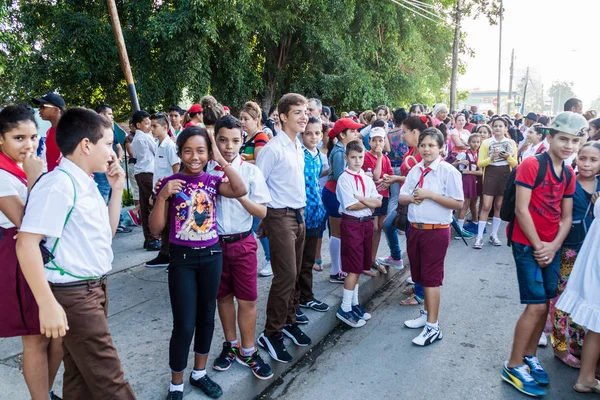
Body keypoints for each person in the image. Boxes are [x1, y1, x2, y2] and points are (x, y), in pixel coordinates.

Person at [16, 107, 135, 399]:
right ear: (85, 145)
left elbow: (104, 237)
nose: (112, 152)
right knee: (110, 381)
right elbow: (26, 244)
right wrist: (47, 304)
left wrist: (117, 190)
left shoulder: (85, 183)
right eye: (107, 144)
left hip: (93, 288)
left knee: (81, 376)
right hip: (74, 294)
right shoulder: (59, 185)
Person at [149, 126, 247, 399]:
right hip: (182, 260)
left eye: (201, 151)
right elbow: (156, 229)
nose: (195, 157)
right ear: (179, 152)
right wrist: (163, 195)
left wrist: (220, 158)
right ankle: (176, 384)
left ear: (208, 153)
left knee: (206, 318)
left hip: (212, 256)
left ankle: (199, 374)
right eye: (188, 150)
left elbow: (241, 189)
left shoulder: (214, 180)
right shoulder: (169, 182)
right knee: (184, 324)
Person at [501, 111, 586, 397]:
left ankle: (529, 356)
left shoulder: (570, 173)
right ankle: (513, 365)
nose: (569, 145)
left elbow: (566, 217)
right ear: (550, 137)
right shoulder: (531, 165)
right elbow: (521, 209)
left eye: (574, 140)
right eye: (563, 138)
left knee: (547, 301)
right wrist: (539, 246)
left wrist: (553, 245)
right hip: (527, 246)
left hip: (552, 246)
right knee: (536, 305)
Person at [0, 105, 63, 400]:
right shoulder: (4, 173)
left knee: (58, 334)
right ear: (1, 139)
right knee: (36, 339)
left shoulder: (29, 166)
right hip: (19, 256)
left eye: (34, 137)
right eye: (19, 138)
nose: (29, 145)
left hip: (43, 255)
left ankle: (46, 392)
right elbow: (28, 222)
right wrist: (37, 178)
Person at [205, 115, 273, 380]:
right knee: (223, 297)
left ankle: (249, 350)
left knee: (247, 299)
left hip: (242, 242)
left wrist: (239, 192)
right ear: (215, 141)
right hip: (214, 245)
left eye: (235, 140)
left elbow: (262, 212)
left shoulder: (251, 172)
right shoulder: (207, 173)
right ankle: (231, 345)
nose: (229, 146)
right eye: (222, 140)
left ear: (243, 140)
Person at [255, 93, 311, 363]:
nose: (304, 116)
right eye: (298, 112)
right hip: (279, 216)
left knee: (296, 272)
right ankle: (271, 332)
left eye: (305, 112)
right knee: (285, 275)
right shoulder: (272, 149)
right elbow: (258, 185)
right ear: (283, 116)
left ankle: (289, 322)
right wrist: (265, 221)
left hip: (299, 215)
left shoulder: (297, 146)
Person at [400, 128, 464, 346]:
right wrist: (411, 199)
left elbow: (458, 203)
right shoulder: (415, 170)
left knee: (431, 279)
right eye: (423, 145)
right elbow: (401, 196)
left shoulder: (448, 171)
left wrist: (431, 195)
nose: (426, 149)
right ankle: (425, 314)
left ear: (441, 148)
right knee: (419, 276)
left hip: (436, 231)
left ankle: (433, 327)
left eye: (431, 145)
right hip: (415, 229)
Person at [548, 142, 600, 369]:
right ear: (576, 158)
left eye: (593, 160)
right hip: (569, 248)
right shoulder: (567, 182)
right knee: (563, 297)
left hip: (593, 254)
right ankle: (560, 345)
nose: (587, 164)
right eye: (583, 158)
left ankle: (579, 342)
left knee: (586, 298)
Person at [379, 116, 430, 293]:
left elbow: (420, 179)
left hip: (414, 204)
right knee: (410, 243)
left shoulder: (423, 153)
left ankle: (420, 291)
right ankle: (417, 284)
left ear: (415, 132)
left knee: (417, 248)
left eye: (405, 132)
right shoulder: (411, 151)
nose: (402, 136)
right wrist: (395, 179)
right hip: (407, 203)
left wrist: (396, 178)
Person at [335, 140, 382, 328]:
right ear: (346, 158)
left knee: (361, 266)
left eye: (360, 157)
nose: (357, 161)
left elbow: (378, 202)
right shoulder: (344, 179)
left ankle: (354, 304)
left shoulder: (366, 177)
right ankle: (345, 308)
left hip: (366, 224)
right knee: (353, 268)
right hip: (352, 224)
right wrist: (368, 201)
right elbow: (350, 205)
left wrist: (363, 199)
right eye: (353, 157)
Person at [296, 117, 330, 322]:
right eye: (309, 133)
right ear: (302, 135)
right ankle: (294, 300)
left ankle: (306, 296)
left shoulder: (318, 154)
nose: (314, 137)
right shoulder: (298, 154)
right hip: (301, 214)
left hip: (317, 212)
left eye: (317, 133)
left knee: (308, 259)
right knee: (297, 261)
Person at [322, 118, 363, 284]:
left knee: (338, 232)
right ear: (343, 134)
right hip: (334, 194)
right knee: (337, 233)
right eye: (352, 131)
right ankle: (335, 271)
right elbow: (341, 177)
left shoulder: (341, 148)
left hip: (334, 193)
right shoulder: (340, 152)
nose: (356, 133)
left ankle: (338, 268)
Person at [473, 116, 518, 249]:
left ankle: (494, 234)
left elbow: (515, 163)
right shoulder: (486, 143)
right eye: (495, 126)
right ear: (492, 128)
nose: (498, 128)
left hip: (505, 174)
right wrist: (490, 158)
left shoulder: (511, 143)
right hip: (491, 173)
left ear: (505, 128)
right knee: (486, 205)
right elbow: (480, 163)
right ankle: (479, 236)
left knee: (499, 205)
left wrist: (507, 156)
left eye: (500, 126)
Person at [145, 113, 181, 268]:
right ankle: (165, 254)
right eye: (151, 126)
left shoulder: (170, 146)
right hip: (160, 191)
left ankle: (173, 257)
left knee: (171, 225)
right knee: (165, 226)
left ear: (165, 128)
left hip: (169, 192)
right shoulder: (159, 144)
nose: (151, 129)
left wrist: (170, 193)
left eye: (154, 126)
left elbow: (176, 170)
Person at [362, 127, 393, 273]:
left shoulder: (386, 158)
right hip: (372, 197)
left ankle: (372, 259)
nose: (377, 143)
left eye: (380, 140)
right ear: (369, 142)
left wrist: (387, 180)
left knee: (379, 228)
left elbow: (390, 175)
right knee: (372, 228)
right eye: (374, 140)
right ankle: (366, 260)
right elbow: (375, 177)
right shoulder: (367, 157)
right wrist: (379, 158)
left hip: (384, 195)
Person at [131, 110, 160, 251]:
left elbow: (135, 155)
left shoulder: (135, 138)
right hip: (148, 172)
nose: (150, 126)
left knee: (144, 204)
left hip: (140, 172)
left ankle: (148, 237)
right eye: (147, 123)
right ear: (138, 124)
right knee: (151, 204)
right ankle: (153, 237)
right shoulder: (145, 137)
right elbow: (156, 151)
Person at [455, 134, 482, 238]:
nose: (475, 144)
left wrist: (467, 171)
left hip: (472, 180)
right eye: (473, 142)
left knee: (470, 204)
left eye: (477, 142)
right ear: (469, 142)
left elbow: (480, 172)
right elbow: (453, 165)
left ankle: (463, 227)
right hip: (465, 180)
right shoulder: (464, 154)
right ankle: (459, 231)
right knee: (464, 205)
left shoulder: (478, 155)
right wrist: (461, 162)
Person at [32, 93, 66, 172]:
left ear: (56, 110)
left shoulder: (68, 132)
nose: (39, 110)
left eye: (42, 107)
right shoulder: (49, 131)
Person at [124, 120, 141, 224]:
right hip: (134, 164)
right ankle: (136, 213)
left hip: (142, 166)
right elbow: (131, 154)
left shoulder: (144, 136)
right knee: (137, 190)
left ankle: (138, 212)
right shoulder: (129, 138)